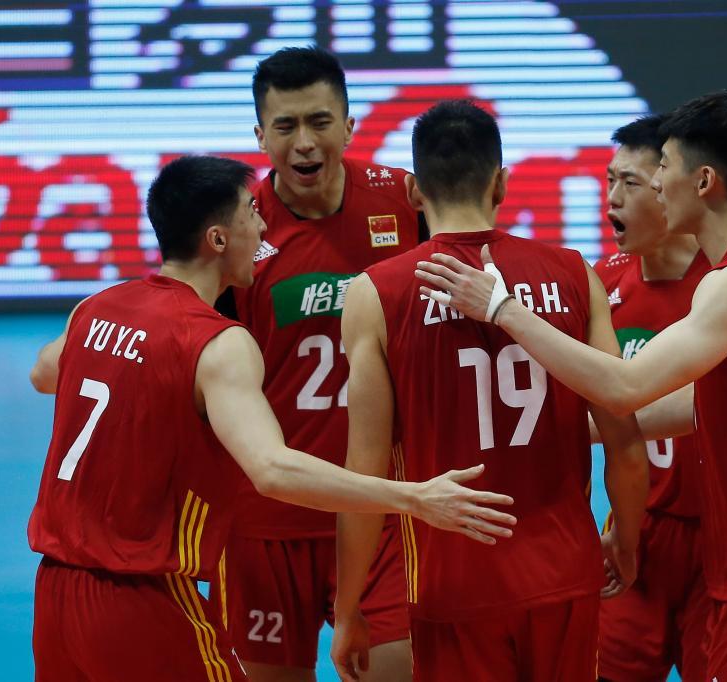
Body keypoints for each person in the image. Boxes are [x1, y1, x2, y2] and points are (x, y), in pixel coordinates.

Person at [416, 91, 727, 681]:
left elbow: (625, 387)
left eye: (662, 170)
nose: (653, 185)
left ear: (703, 182)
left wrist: (502, 308)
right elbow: (710, 404)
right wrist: (567, 430)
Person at [27, 155, 515, 682]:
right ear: (218, 239)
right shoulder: (216, 342)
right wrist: (414, 497)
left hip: (55, 594)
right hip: (142, 598)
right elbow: (272, 470)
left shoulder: (96, 307)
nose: (262, 226)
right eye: (249, 213)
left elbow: (45, 374)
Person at [331, 99, 649, 682]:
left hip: (453, 583)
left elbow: (365, 473)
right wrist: (625, 541)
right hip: (563, 574)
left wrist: (349, 606)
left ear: (413, 192)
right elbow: (625, 442)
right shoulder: (574, 274)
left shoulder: (376, 293)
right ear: (501, 183)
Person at [211, 46, 423, 682]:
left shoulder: (405, 202)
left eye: (320, 122)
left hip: (379, 508)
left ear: (350, 125)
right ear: (260, 136)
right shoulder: (238, 231)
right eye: (285, 126)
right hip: (266, 521)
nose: (304, 143)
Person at [595, 114, 711, 682]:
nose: (612, 199)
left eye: (631, 183)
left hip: (726, 538)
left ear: (669, 190)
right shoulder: (602, 284)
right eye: (608, 181)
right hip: (636, 530)